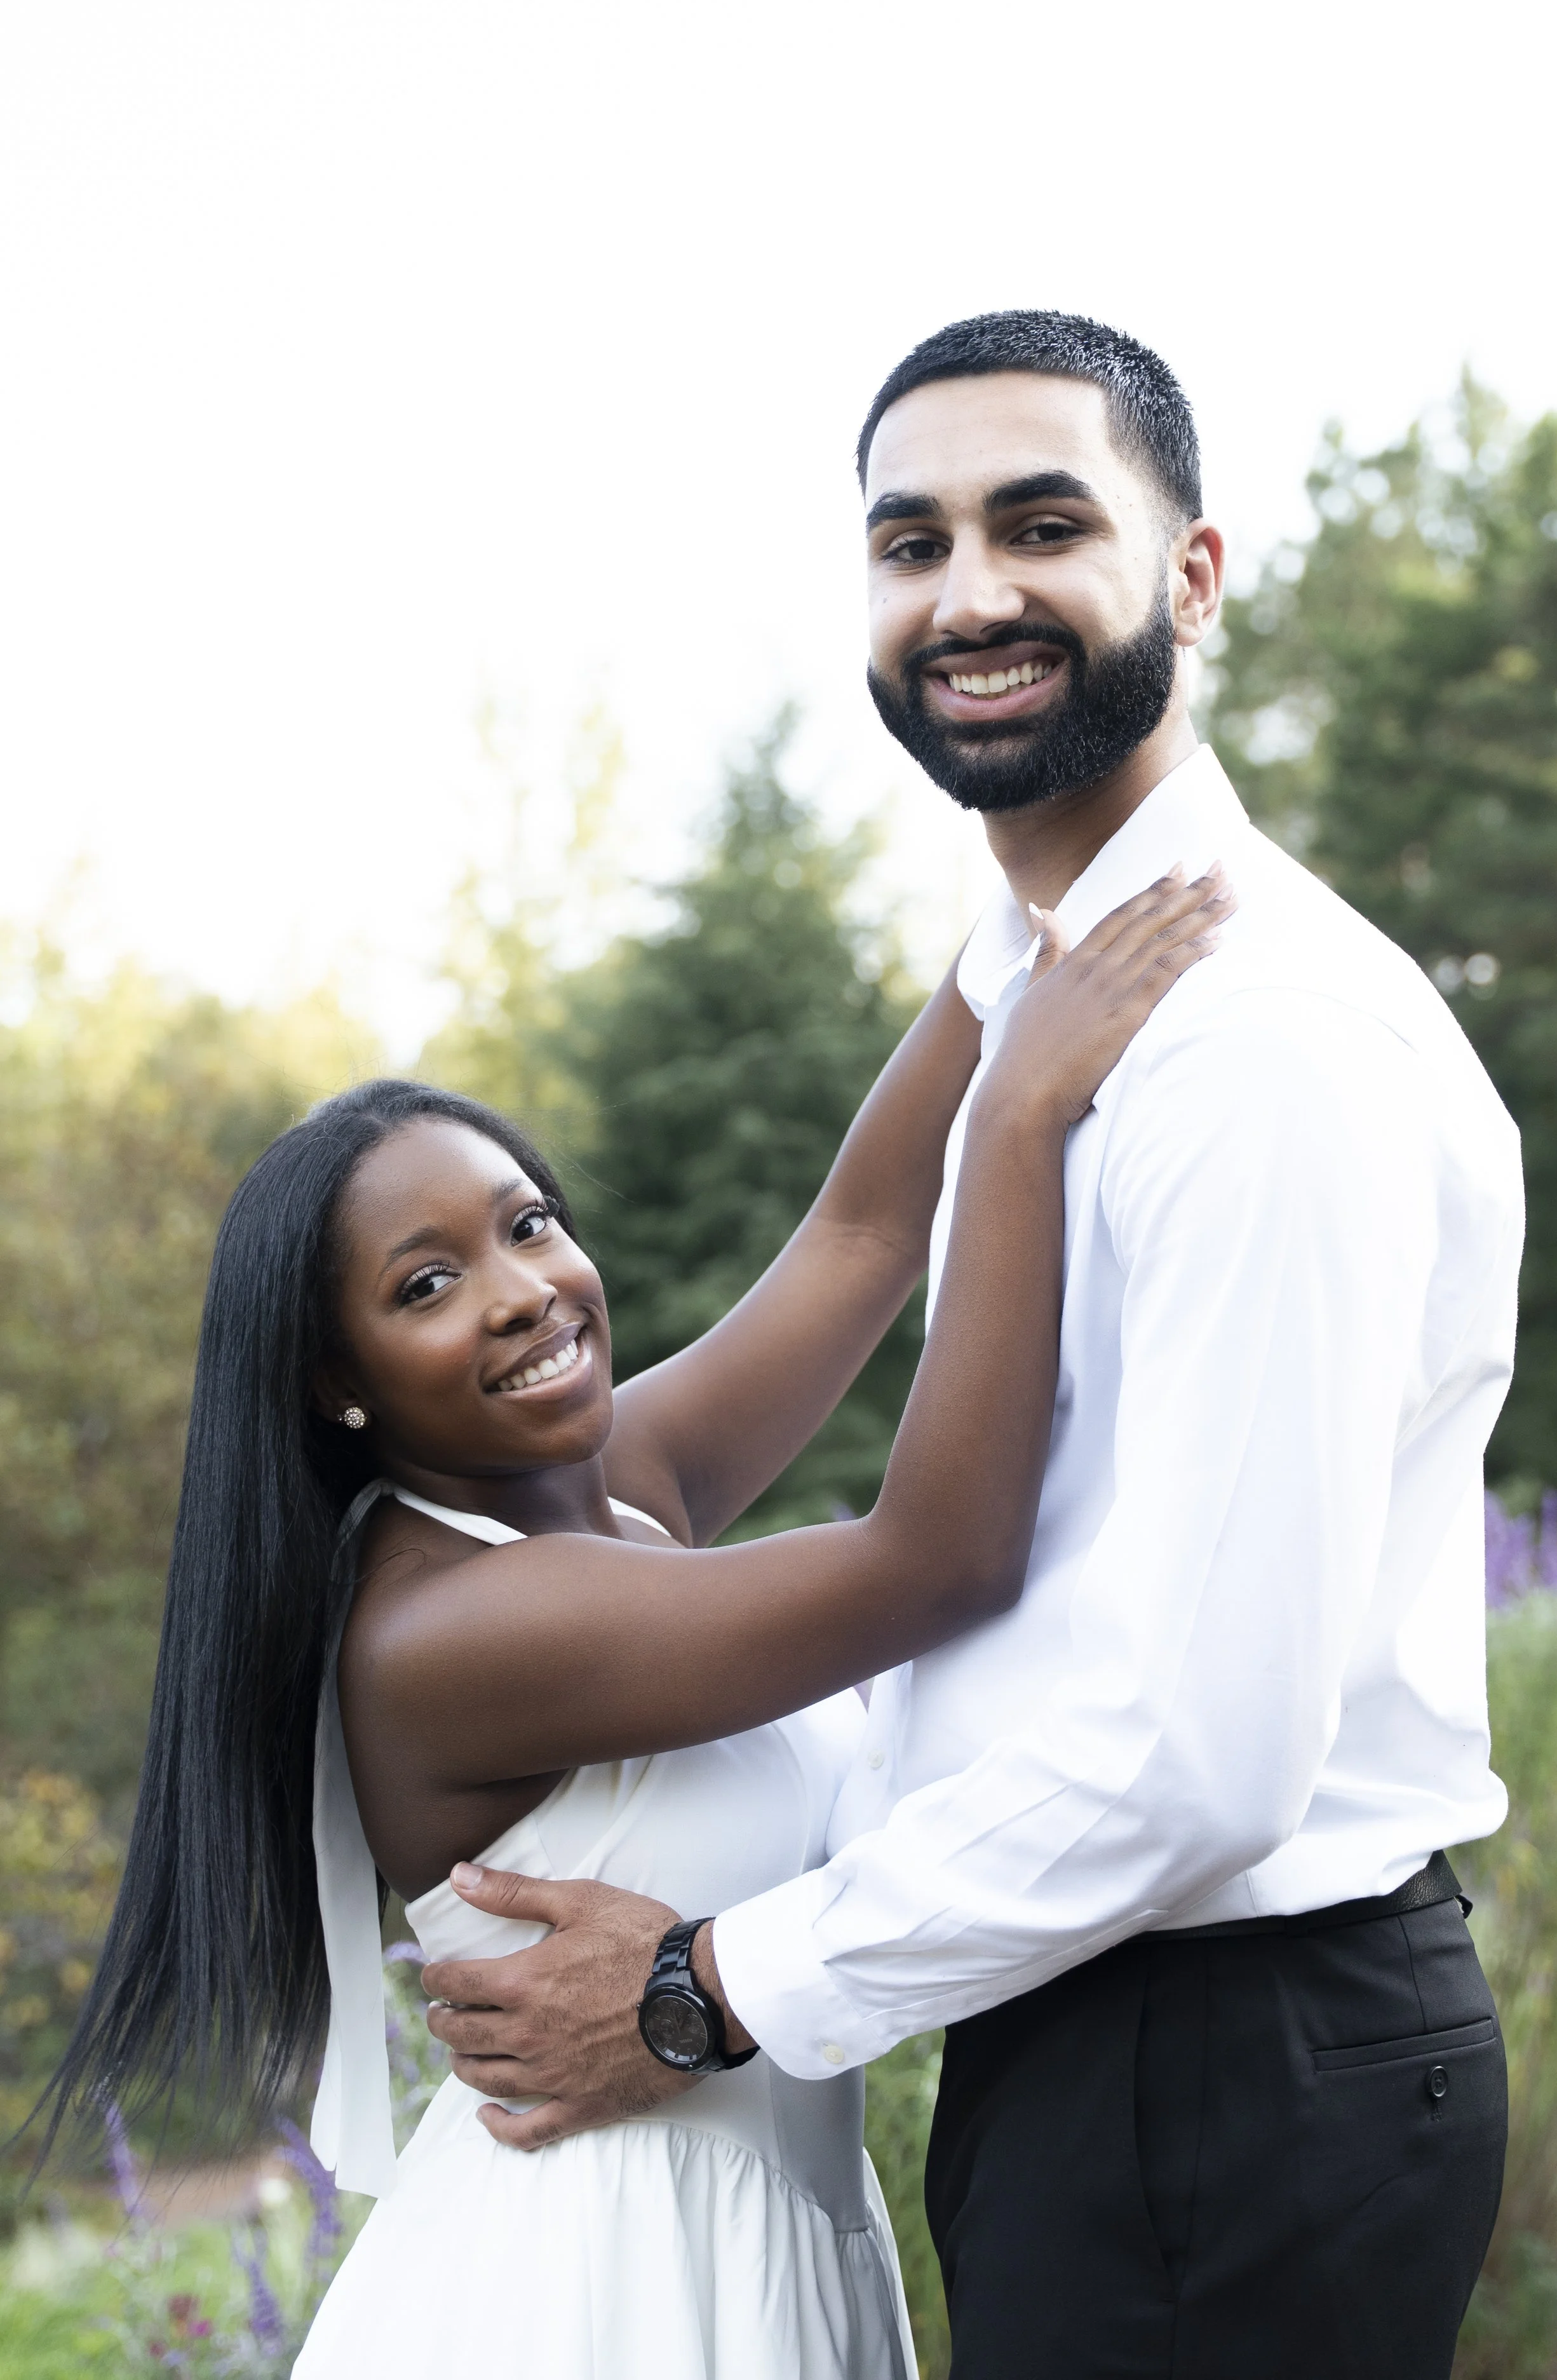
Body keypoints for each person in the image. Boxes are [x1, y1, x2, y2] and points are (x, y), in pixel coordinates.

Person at [424, 313, 1524, 2380]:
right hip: (1122, 2055)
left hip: (1226, 2071)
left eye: (1041, 525)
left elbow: (1205, 1754)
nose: (969, 592)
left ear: (1190, 577)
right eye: (909, 542)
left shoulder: (1252, 1051)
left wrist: (703, 1988)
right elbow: (855, 1239)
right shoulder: (1047, 1003)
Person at [41, 858, 1228, 2380]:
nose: (523, 1290)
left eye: (527, 1223)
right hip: (588, 2285)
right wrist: (1018, 1112)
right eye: (426, 1284)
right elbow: (937, 1559)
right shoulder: (456, 1625)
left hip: (749, 2233)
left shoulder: (606, 1493)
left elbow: (860, 1238)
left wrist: (1017, 922)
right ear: (334, 1383)